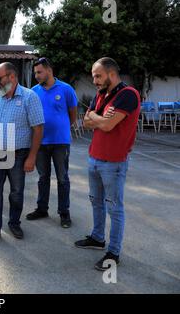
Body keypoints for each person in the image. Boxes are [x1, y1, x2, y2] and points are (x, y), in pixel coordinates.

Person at [74, 57, 141, 271]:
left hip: (114, 162)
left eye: (98, 75)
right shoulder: (101, 95)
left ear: (111, 74)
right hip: (94, 157)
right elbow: (85, 122)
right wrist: (97, 117)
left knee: (115, 208)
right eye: (94, 76)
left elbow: (109, 125)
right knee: (96, 201)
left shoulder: (128, 95)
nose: (94, 80)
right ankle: (97, 237)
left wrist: (98, 118)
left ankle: (113, 253)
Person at [0, 62, 44, 242]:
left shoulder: (30, 97)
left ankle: (14, 223)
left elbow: (38, 129)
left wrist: (32, 157)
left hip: (19, 154)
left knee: (16, 191)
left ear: (12, 77)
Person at [26, 57, 78, 228]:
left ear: (49, 70)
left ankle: (64, 213)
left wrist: (61, 128)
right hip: (40, 142)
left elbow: (72, 114)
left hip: (61, 142)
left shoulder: (66, 89)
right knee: (43, 177)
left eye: (39, 72)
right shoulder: (33, 92)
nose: (36, 76)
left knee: (62, 178)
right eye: (35, 73)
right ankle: (42, 209)